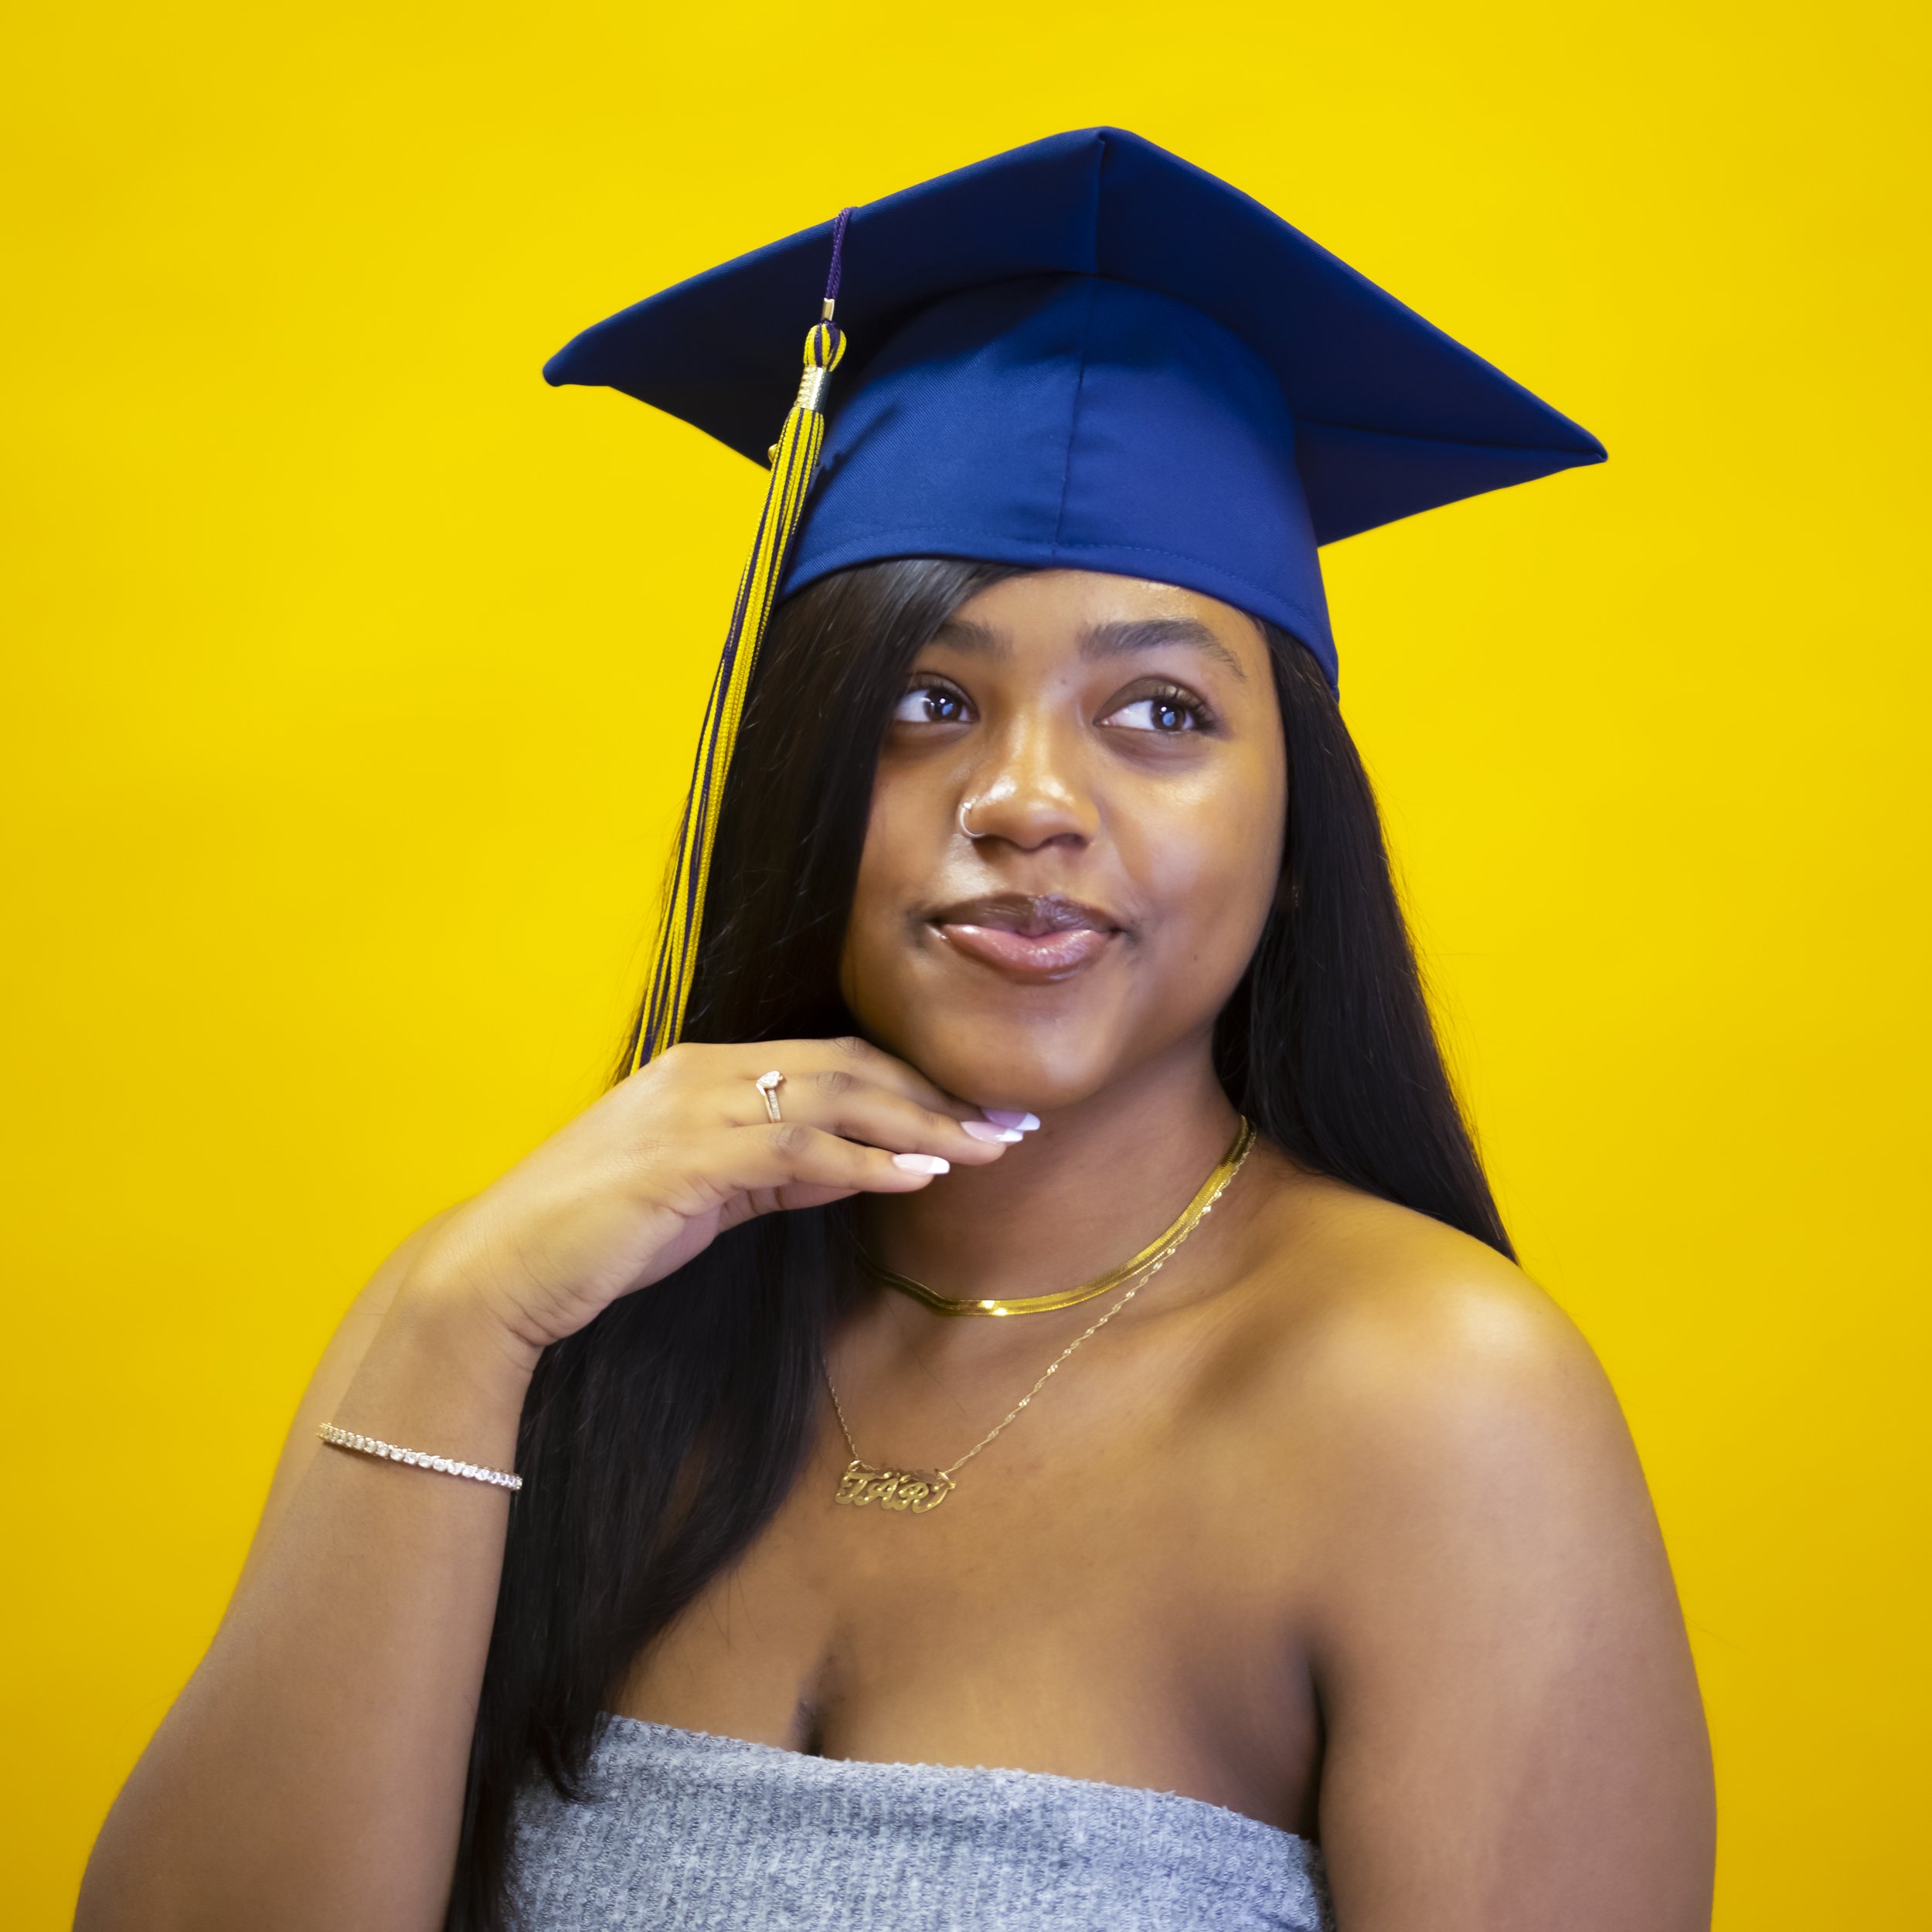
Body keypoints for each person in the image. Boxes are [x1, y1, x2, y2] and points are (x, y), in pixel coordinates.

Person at [77, 130, 1715, 1932]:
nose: (1025, 797)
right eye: (928, 697)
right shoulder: (552, 1318)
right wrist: (456, 1321)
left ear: (1296, 833)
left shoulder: (1432, 1402)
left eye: (1157, 709)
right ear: (802, 774)